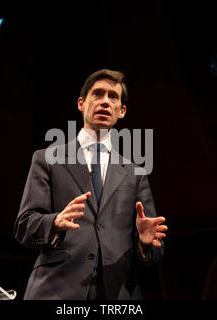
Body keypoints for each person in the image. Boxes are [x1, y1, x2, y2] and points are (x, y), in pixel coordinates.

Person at [14, 69, 167, 299]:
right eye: (98, 94)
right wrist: (54, 222)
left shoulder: (135, 173)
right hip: (56, 289)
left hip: (117, 293)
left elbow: (153, 245)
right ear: (81, 104)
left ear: (121, 111)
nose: (105, 101)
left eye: (113, 97)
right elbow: (24, 226)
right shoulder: (47, 159)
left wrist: (145, 245)